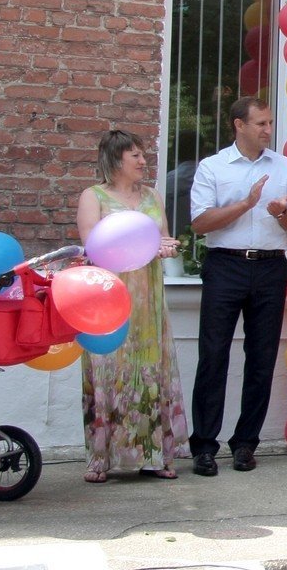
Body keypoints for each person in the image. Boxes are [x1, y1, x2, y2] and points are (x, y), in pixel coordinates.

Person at [188, 96, 287, 477]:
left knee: (261, 359)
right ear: (239, 125)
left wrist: (281, 211)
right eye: (261, 124)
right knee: (213, 356)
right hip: (225, 265)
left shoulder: (284, 166)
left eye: (270, 123)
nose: (268, 130)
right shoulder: (213, 167)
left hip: (271, 267)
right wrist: (247, 204)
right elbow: (200, 223)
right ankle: (204, 445)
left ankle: (245, 444)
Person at [76, 129, 190, 483]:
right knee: (108, 369)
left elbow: (161, 239)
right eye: (135, 156)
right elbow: (92, 248)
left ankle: (155, 454)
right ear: (115, 160)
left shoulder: (153, 196)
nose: (143, 162)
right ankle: (101, 458)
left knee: (150, 371)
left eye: (143, 155)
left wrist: (167, 248)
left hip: (147, 298)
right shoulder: (93, 197)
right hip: (109, 298)